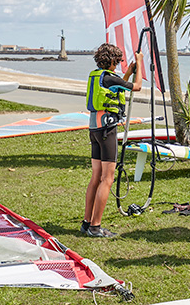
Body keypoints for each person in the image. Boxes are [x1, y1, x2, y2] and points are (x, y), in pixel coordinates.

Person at [80, 43, 143, 238]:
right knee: (107, 178)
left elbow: (117, 86)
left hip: (94, 129)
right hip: (107, 130)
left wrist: (129, 72)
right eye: (118, 61)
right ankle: (95, 227)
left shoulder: (98, 76)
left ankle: (87, 222)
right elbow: (137, 87)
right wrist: (140, 64)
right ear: (113, 61)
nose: (118, 64)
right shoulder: (110, 78)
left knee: (96, 177)